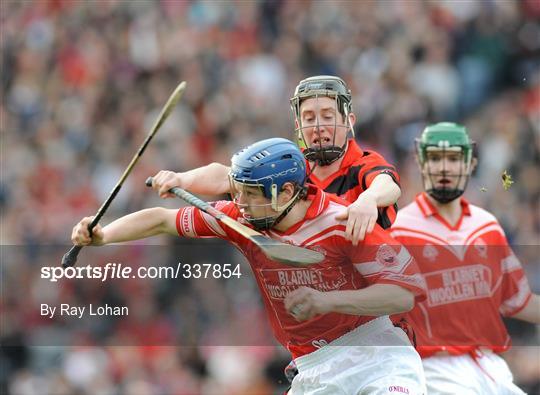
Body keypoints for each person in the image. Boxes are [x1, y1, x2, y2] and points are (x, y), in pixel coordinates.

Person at [73, 138, 427, 395]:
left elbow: (403, 293)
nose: (238, 203)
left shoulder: (342, 222)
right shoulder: (242, 223)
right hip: (313, 368)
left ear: (286, 192)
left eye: (250, 194)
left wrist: (330, 301)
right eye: (237, 192)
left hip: (377, 356)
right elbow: (162, 220)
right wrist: (104, 235)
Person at [151, 75, 401, 246]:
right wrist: (181, 178)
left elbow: (387, 185)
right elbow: (228, 176)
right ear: (298, 125)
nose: (318, 126)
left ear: (349, 122)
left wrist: (369, 199)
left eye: (327, 116)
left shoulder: (363, 164)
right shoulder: (292, 168)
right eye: (309, 118)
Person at [389, 122, 540, 394]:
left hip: (488, 364)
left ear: (471, 164)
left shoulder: (487, 225)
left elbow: (518, 300)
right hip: (431, 368)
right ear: (421, 164)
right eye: (435, 158)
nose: (444, 167)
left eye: (453, 158)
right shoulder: (399, 229)